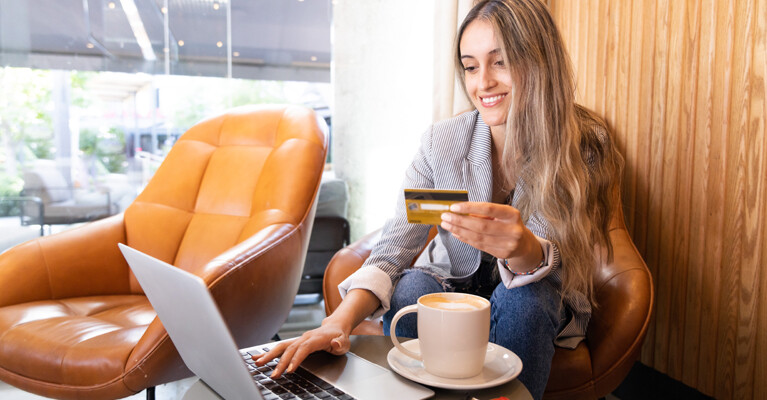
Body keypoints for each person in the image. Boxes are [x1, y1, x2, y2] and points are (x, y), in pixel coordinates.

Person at [255, 1, 623, 398]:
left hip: (537, 293)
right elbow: (395, 247)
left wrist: (525, 249)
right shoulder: (442, 144)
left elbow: (560, 257)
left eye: (500, 62)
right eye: (470, 66)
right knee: (411, 289)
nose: (483, 83)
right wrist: (337, 321)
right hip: (456, 283)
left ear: (539, 61)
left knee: (527, 302)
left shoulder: (583, 143)